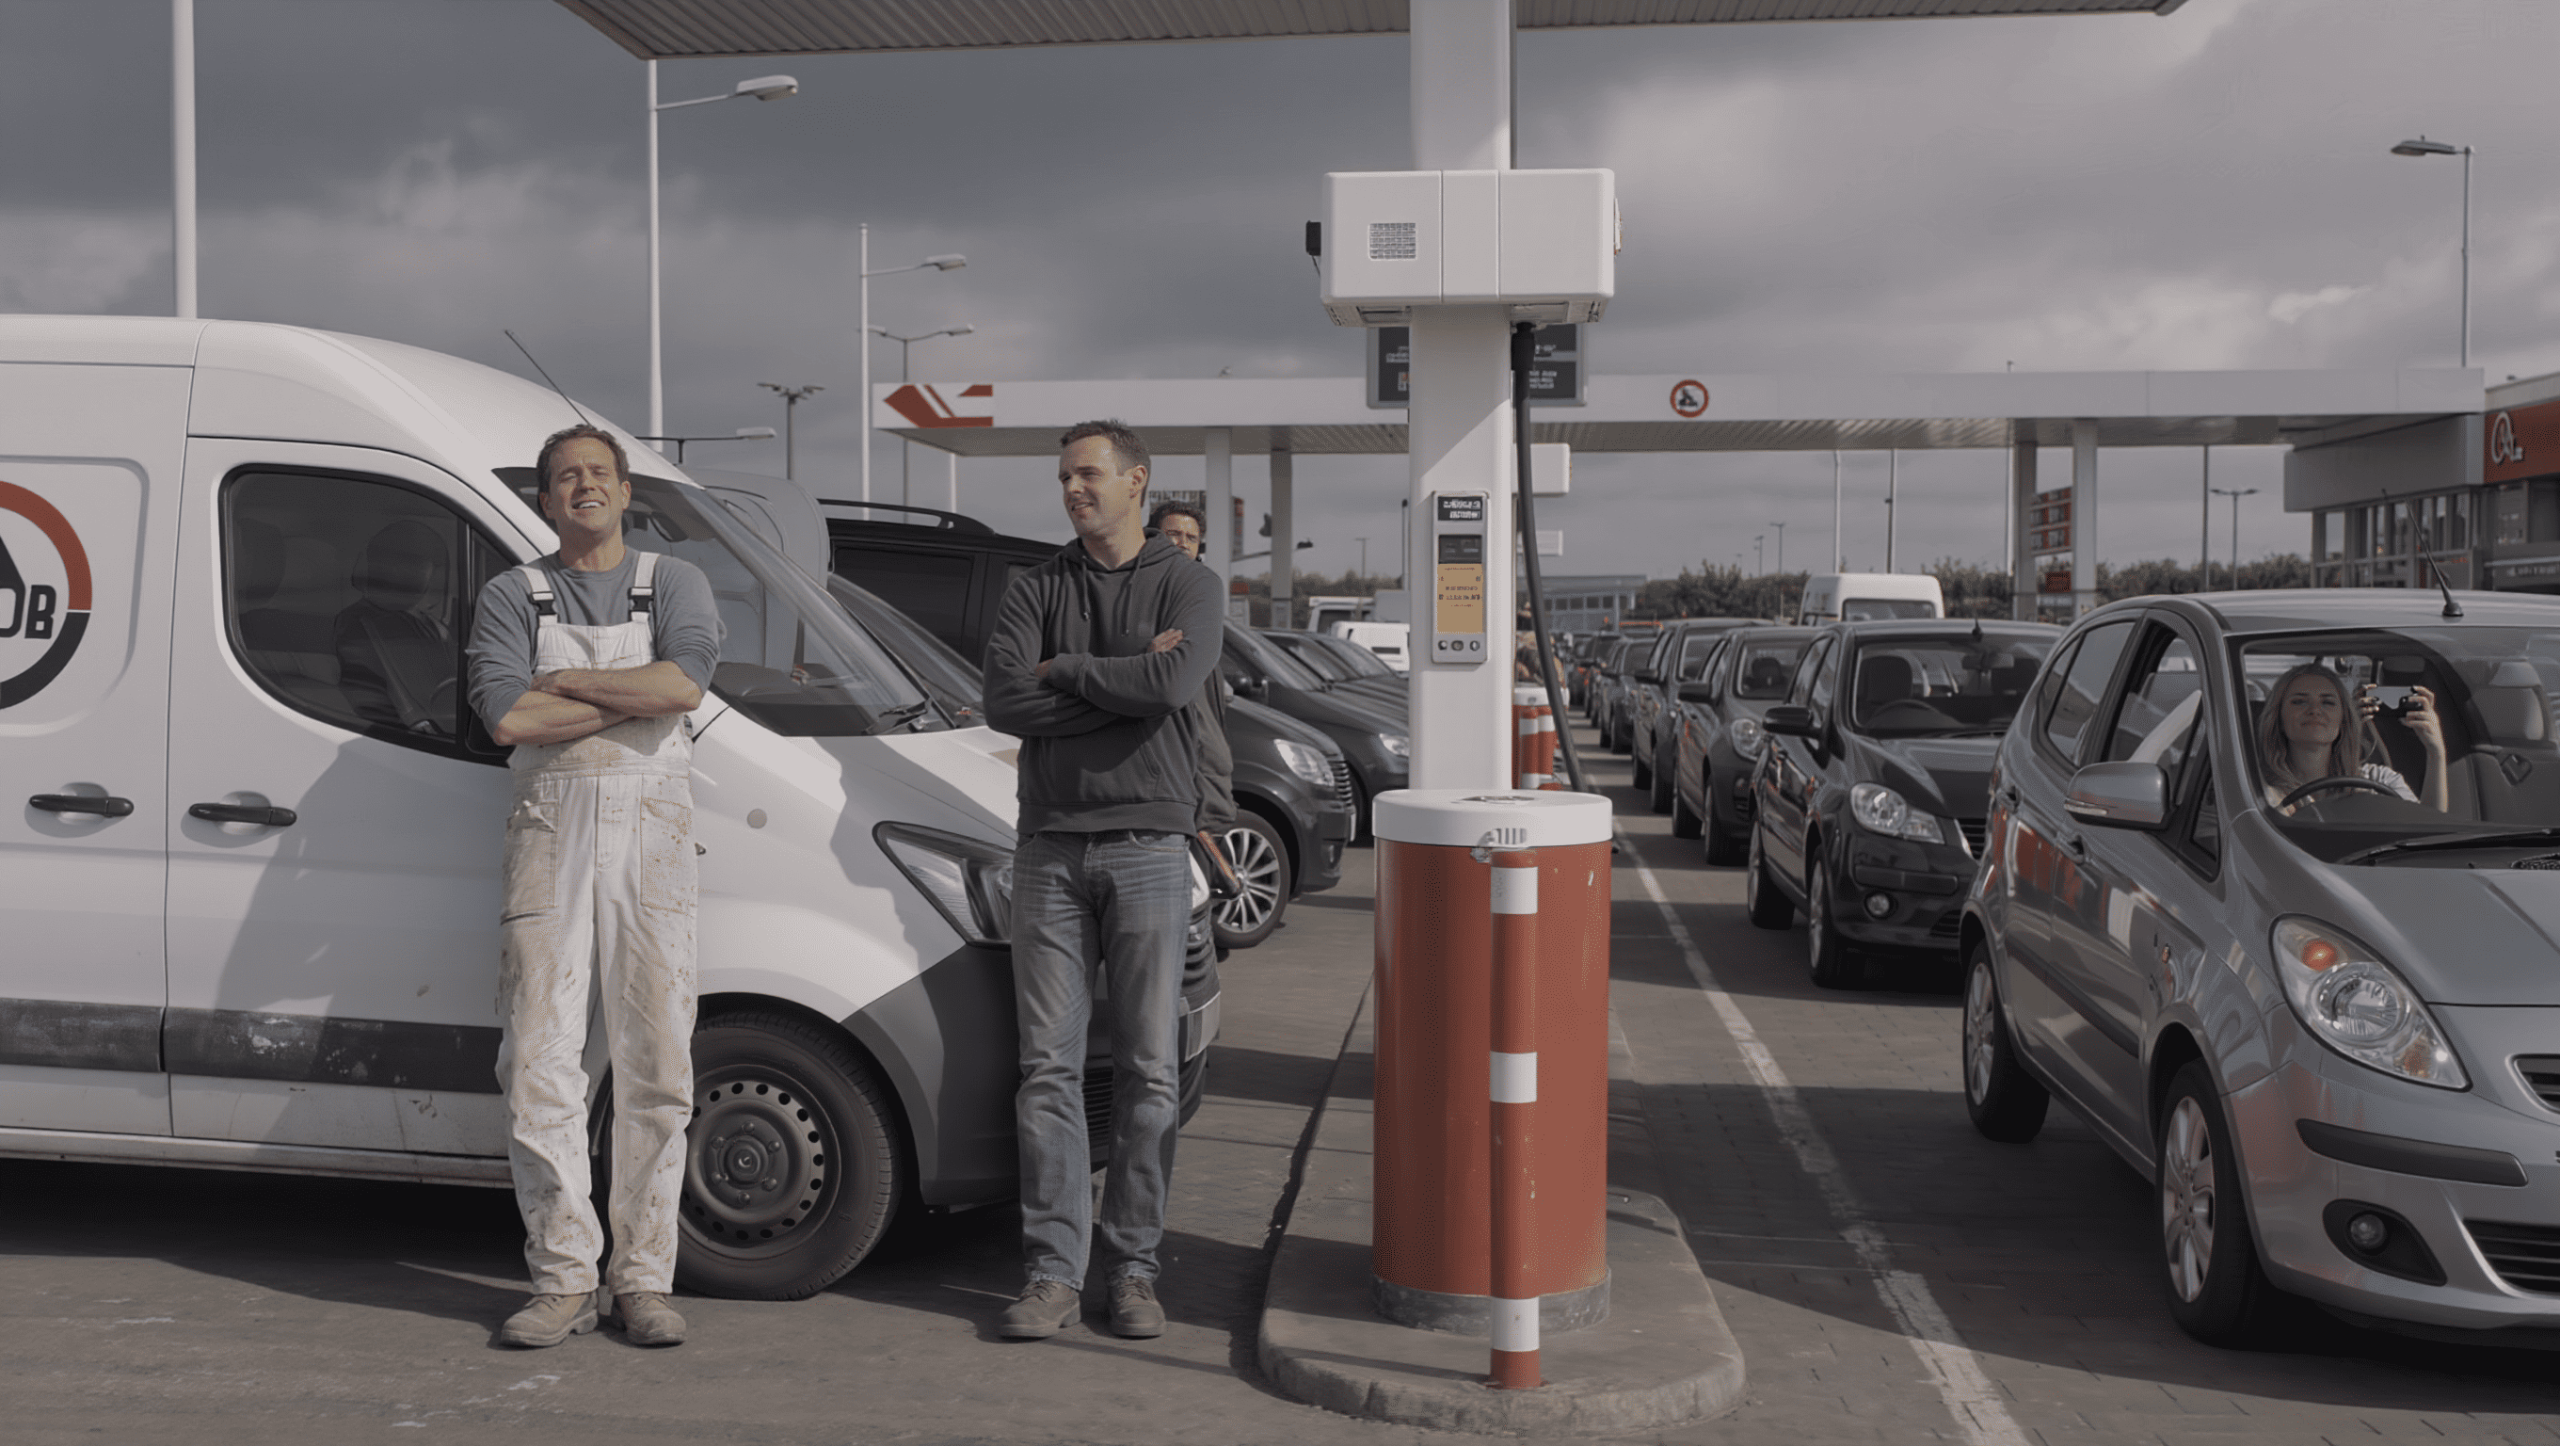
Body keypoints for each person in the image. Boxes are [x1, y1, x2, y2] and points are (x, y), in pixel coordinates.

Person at [465, 424, 724, 1349]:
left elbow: (683, 688)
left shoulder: (676, 585)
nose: (584, 487)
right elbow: (504, 715)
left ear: (625, 492)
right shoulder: (510, 592)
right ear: (544, 500)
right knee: (538, 1058)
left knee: (658, 1064)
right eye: (566, 477)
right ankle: (563, 1277)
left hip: (652, 843)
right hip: (550, 840)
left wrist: (564, 680)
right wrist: (630, 684)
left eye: (600, 474)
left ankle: (644, 1280)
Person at [982, 420, 1223, 1342]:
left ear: (1137, 481)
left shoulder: (1189, 583)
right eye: (1064, 478)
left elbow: (1171, 690)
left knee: (1150, 1071)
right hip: (1047, 849)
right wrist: (1117, 682)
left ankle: (1132, 1268)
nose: (1074, 489)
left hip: (1151, 848)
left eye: (1089, 474)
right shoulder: (1035, 585)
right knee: (1046, 1070)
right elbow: (1005, 699)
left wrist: (1067, 672)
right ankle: (1052, 1271)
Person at [1146, 498, 1238, 857]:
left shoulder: (1202, 590)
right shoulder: (1137, 589)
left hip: (1201, 776)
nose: (1183, 542)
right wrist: (1147, 659)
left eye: (1191, 537)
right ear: (1152, 536)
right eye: (1173, 534)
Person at [2255, 662, 2448, 813]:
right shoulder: (2258, 790)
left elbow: (2430, 829)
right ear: (2278, 718)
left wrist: (2436, 752)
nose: (2315, 710)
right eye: (2299, 701)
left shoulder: (2380, 780)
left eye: (2328, 702)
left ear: (2343, 719)